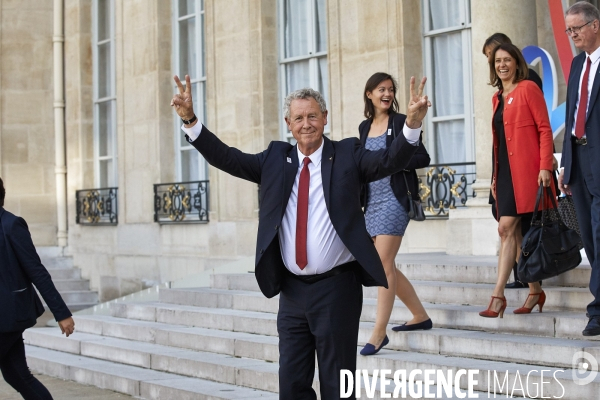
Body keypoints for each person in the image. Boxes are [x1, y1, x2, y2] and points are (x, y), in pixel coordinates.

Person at [171, 74, 430, 399]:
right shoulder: (275, 160)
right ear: (288, 124)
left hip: (337, 289)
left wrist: (412, 126)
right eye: (299, 118)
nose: (306, 123)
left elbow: (391, 160)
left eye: (312, 116)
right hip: (292, 293)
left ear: (324, 118)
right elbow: (227, 157)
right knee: (292, 385)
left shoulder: (349, 153)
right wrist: (191, 121)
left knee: (338, 386)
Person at [357, 72, 432, 356]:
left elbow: (422, 157)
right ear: (369, 94)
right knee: (387, 266)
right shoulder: (364, 127)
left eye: (390, 90)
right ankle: (420, 315)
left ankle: (378, 334)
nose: (387, 94)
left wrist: (396, 159)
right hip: (372, 202)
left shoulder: (401, 121)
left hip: (395, 199)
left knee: (382, 264)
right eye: (381, 89)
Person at [479, 43, 555, 319]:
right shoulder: (497, 98)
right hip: (506, 175)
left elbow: (544, 129)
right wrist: (494, 179)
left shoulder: (527, 89)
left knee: (507, 228)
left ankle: (497, 295)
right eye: (498, 61)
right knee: (513, 232)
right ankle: (535, 290)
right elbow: (498, 144)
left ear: (516, 62)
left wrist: (546, 165)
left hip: (529, 172)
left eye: (507, 60)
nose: (502, 65)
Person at [0, 177, 75, 399]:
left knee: (18, 375)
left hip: (9, 316)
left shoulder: (12, 225)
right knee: (17, 375)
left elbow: (37, 271)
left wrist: (61, 313)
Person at [558, 1, 600, 336]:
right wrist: (566, 165)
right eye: (569, 31)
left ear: (595, 25)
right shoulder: (575, 65)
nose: (572, 36)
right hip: (578, 163)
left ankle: (597, 309)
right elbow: (573, 117)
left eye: (576, 29)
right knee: (588, 236)